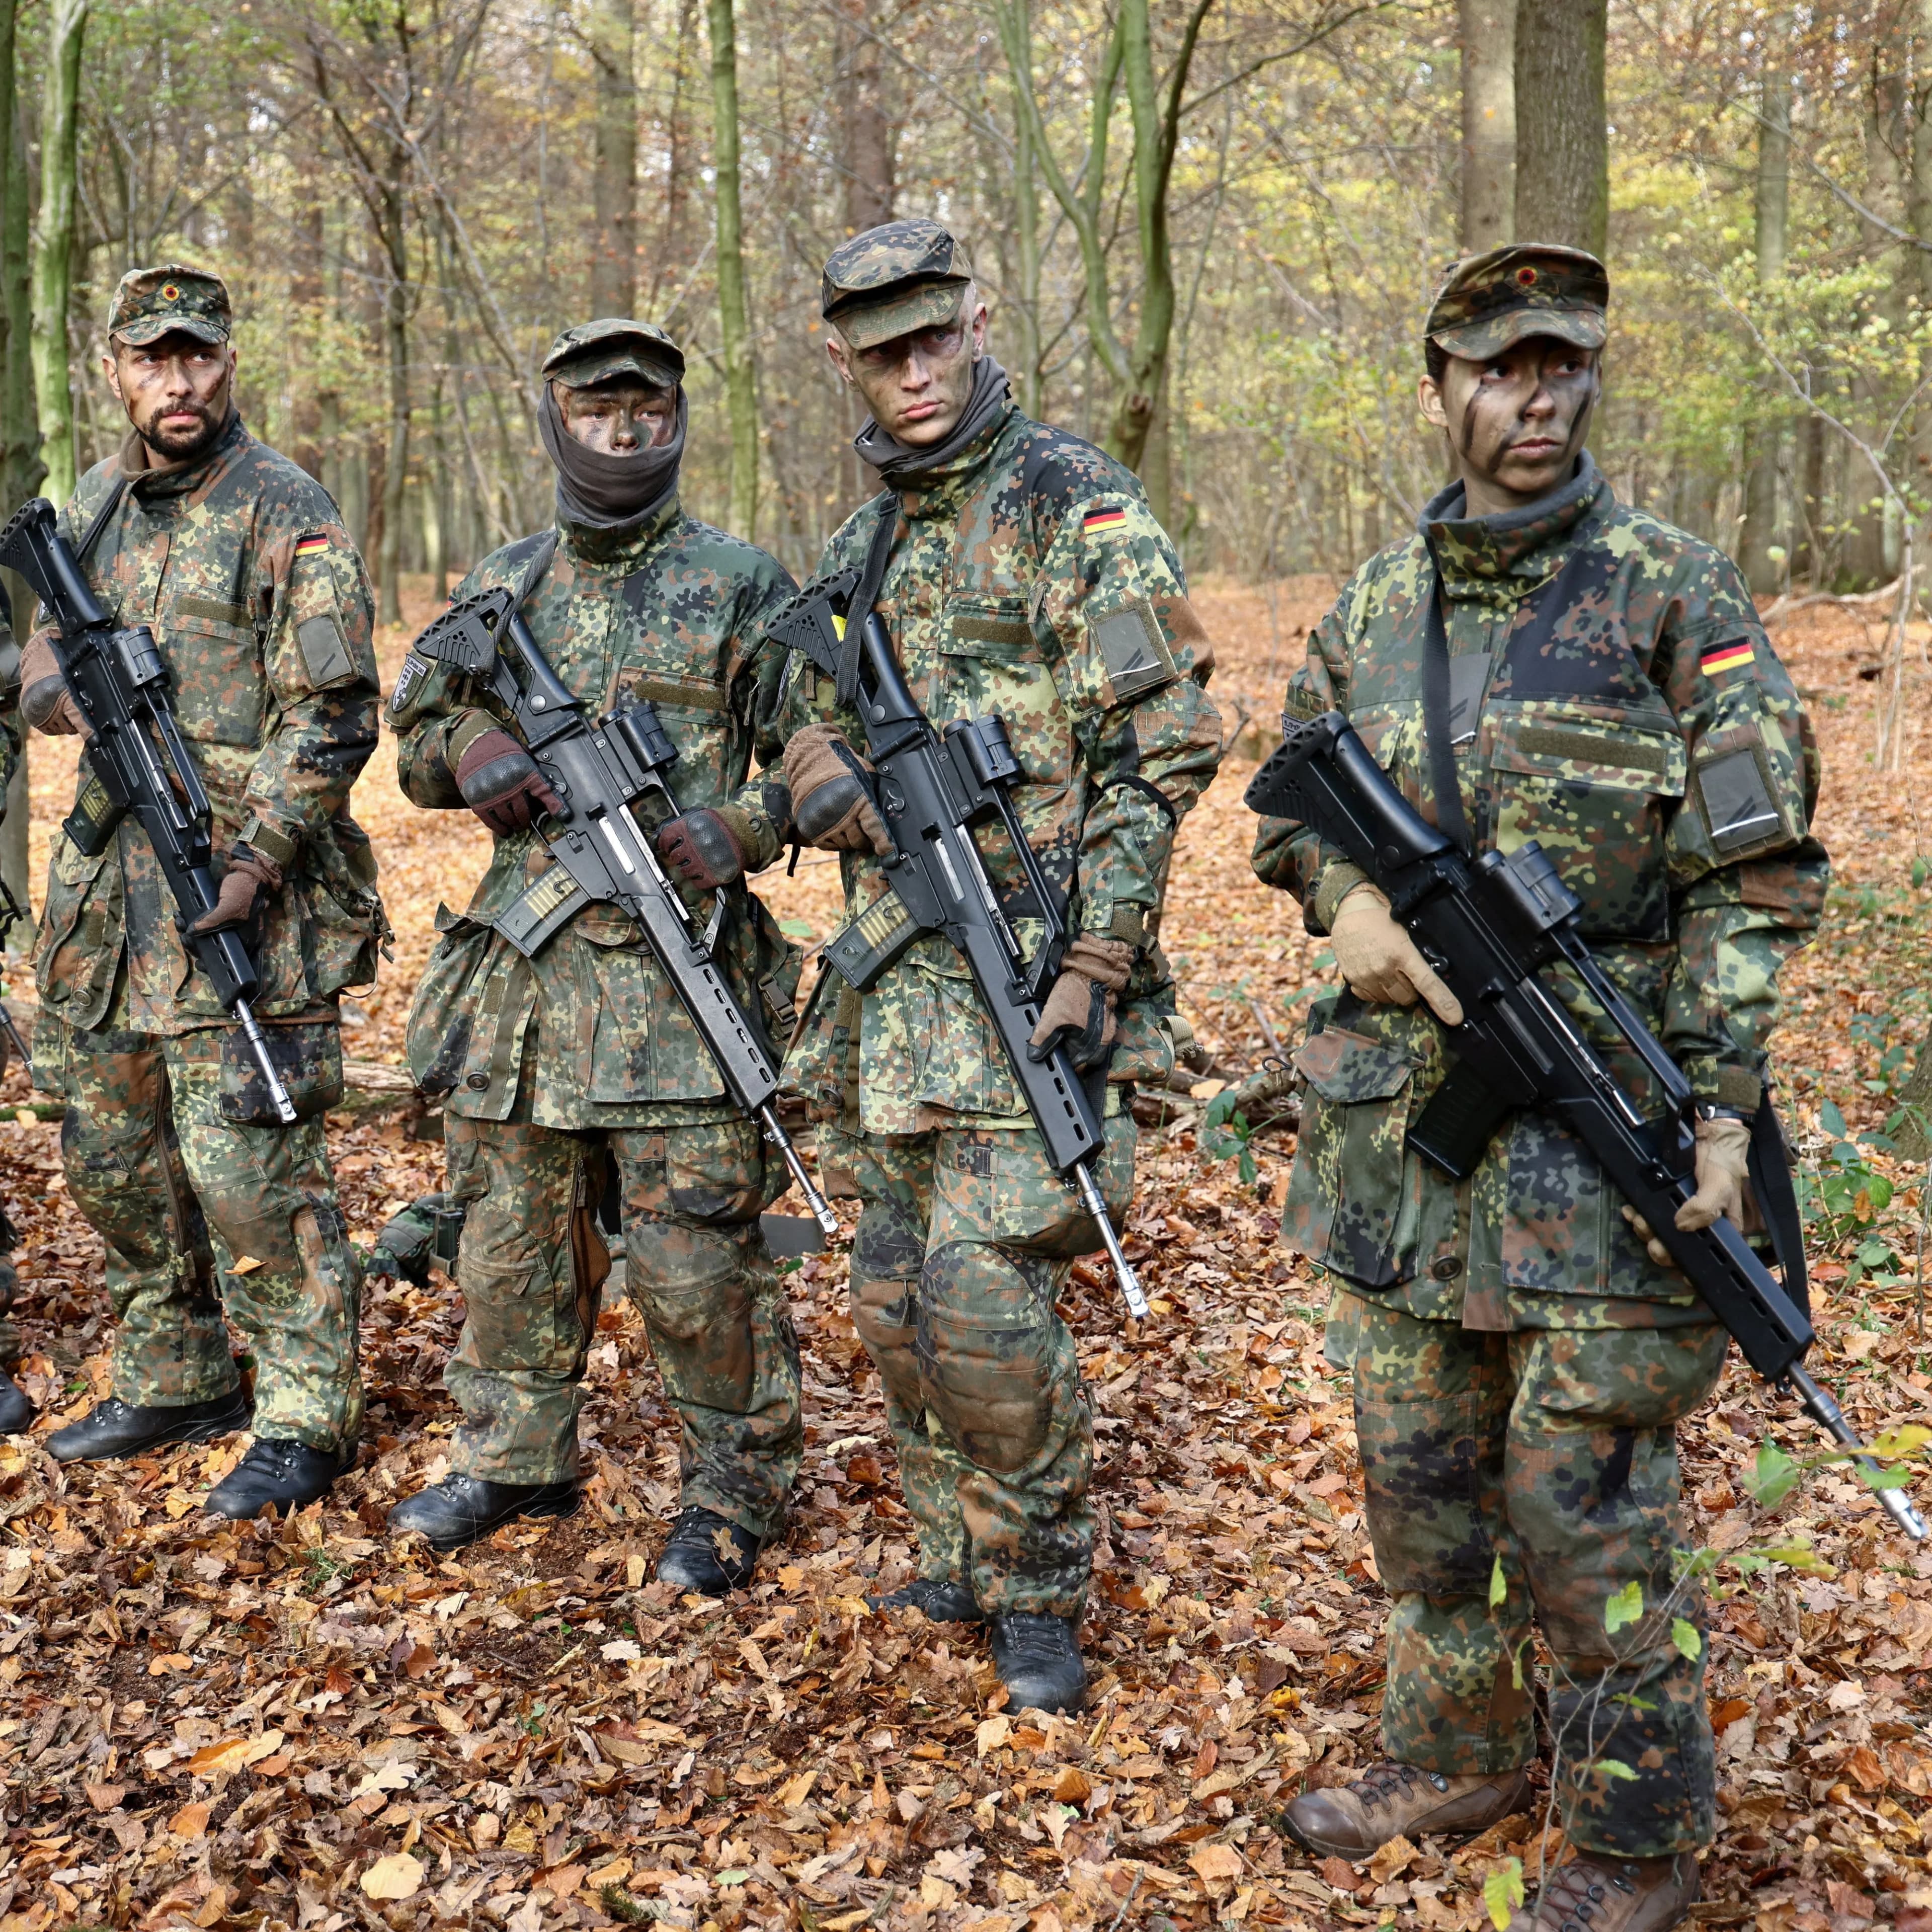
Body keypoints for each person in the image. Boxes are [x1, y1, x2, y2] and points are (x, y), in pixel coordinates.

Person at [1251, 245, 1827, 1931]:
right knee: (1423, 1485)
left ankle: (1637, 1838)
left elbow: (1755, 879)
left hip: (1604, 1136)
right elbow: (1287, 803)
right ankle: (1458, 1754)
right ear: (1440, 390)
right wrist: (1344, 906)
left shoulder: (1675, 596)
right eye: (1500, 368)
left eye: (1561, 364)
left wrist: (1720, 1105)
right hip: (1402, 1153)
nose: (1536, 397)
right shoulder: (1375, 608)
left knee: (1584, 1508)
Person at [775, 219, 1222, 1712]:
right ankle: (954, 1554)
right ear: (843, 360)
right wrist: (811, 765)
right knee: (892, 1300)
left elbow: (1162, 747)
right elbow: (795, 701)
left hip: (1034, 986)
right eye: (882, 354)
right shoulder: (860, 544)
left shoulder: (1072, 501)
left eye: (934, 341)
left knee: (981, 1305)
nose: (914, 374)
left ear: (977, 323)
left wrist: (1101, 952)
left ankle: (1038, 1589)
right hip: (894, 1002)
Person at [387, 318, 806, 1583]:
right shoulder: (505, 580)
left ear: (678, 418)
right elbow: (416, 732)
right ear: (554, 420)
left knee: (695, 1264)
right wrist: (468, 751)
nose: (623, 431)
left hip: (678, 987)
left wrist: (743, 824)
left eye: (648, 407)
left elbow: (824, 752)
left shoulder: (744, 582)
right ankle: (515, 1456)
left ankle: (733, 1489)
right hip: (519, 994)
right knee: (506, 1243)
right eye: (595, 408)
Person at [28, 264, 386, 1518]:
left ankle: (305, 1415)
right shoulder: (91, 505)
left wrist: (259, 855)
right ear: (114, 370)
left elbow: (336, 712)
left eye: (196, 356)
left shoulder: (287, 505)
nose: (177, 382)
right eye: (152, 359)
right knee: (113, 1156)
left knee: (251, 1171)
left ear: (228, 360)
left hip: (239, 894)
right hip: (106, 908)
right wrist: (49, 691)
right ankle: (175, 1376)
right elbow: (45, 647)